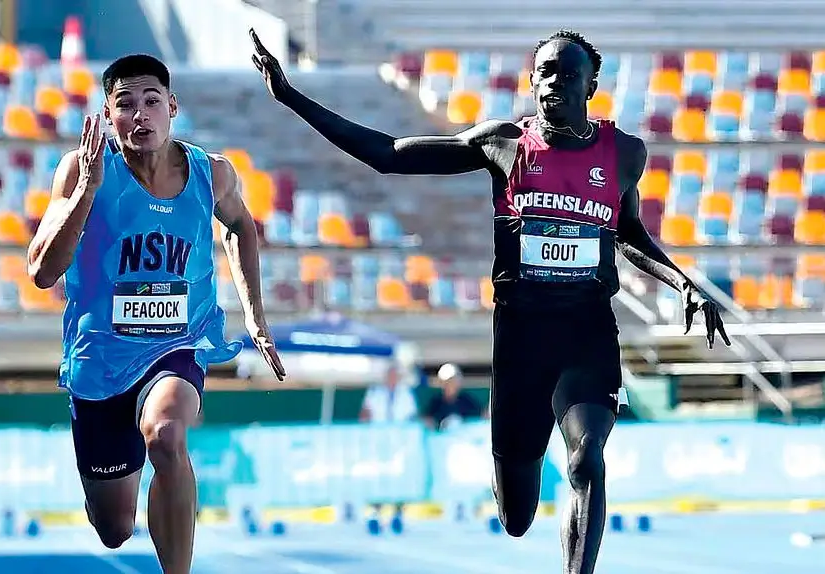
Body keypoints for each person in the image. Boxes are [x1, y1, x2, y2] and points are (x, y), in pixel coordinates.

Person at [251, 29, 731, 572]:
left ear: (591, 86)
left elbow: (628, 231)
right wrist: (290, 96)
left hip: (588, 331)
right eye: (544, 73)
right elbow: (388, 154)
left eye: (567, 74)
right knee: (517, 514)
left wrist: (682, 282)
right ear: (532, 81)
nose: (553, 83)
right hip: (522, 338)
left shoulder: (623, 153)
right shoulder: (504, 144)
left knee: (586, 460)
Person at [26, 54, 285, 573]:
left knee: (167, 435)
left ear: (173, 107)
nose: (140, 114)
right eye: (125, 105)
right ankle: (107, 495)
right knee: (114, 528)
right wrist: (87, 191)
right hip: (101, 359)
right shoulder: (81, 170)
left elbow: (240, 226)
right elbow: (42, 272)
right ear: (107, 115)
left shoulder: (212, 173)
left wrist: (255, 316)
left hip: (177, 343)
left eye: (151, 101)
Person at [423, 363, 485, 430]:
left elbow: (480, 418)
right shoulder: (436, 402)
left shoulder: (467, 400)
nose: (449, 385)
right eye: (446, 382)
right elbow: (428, 420)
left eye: (453, 381)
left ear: (458, 383)